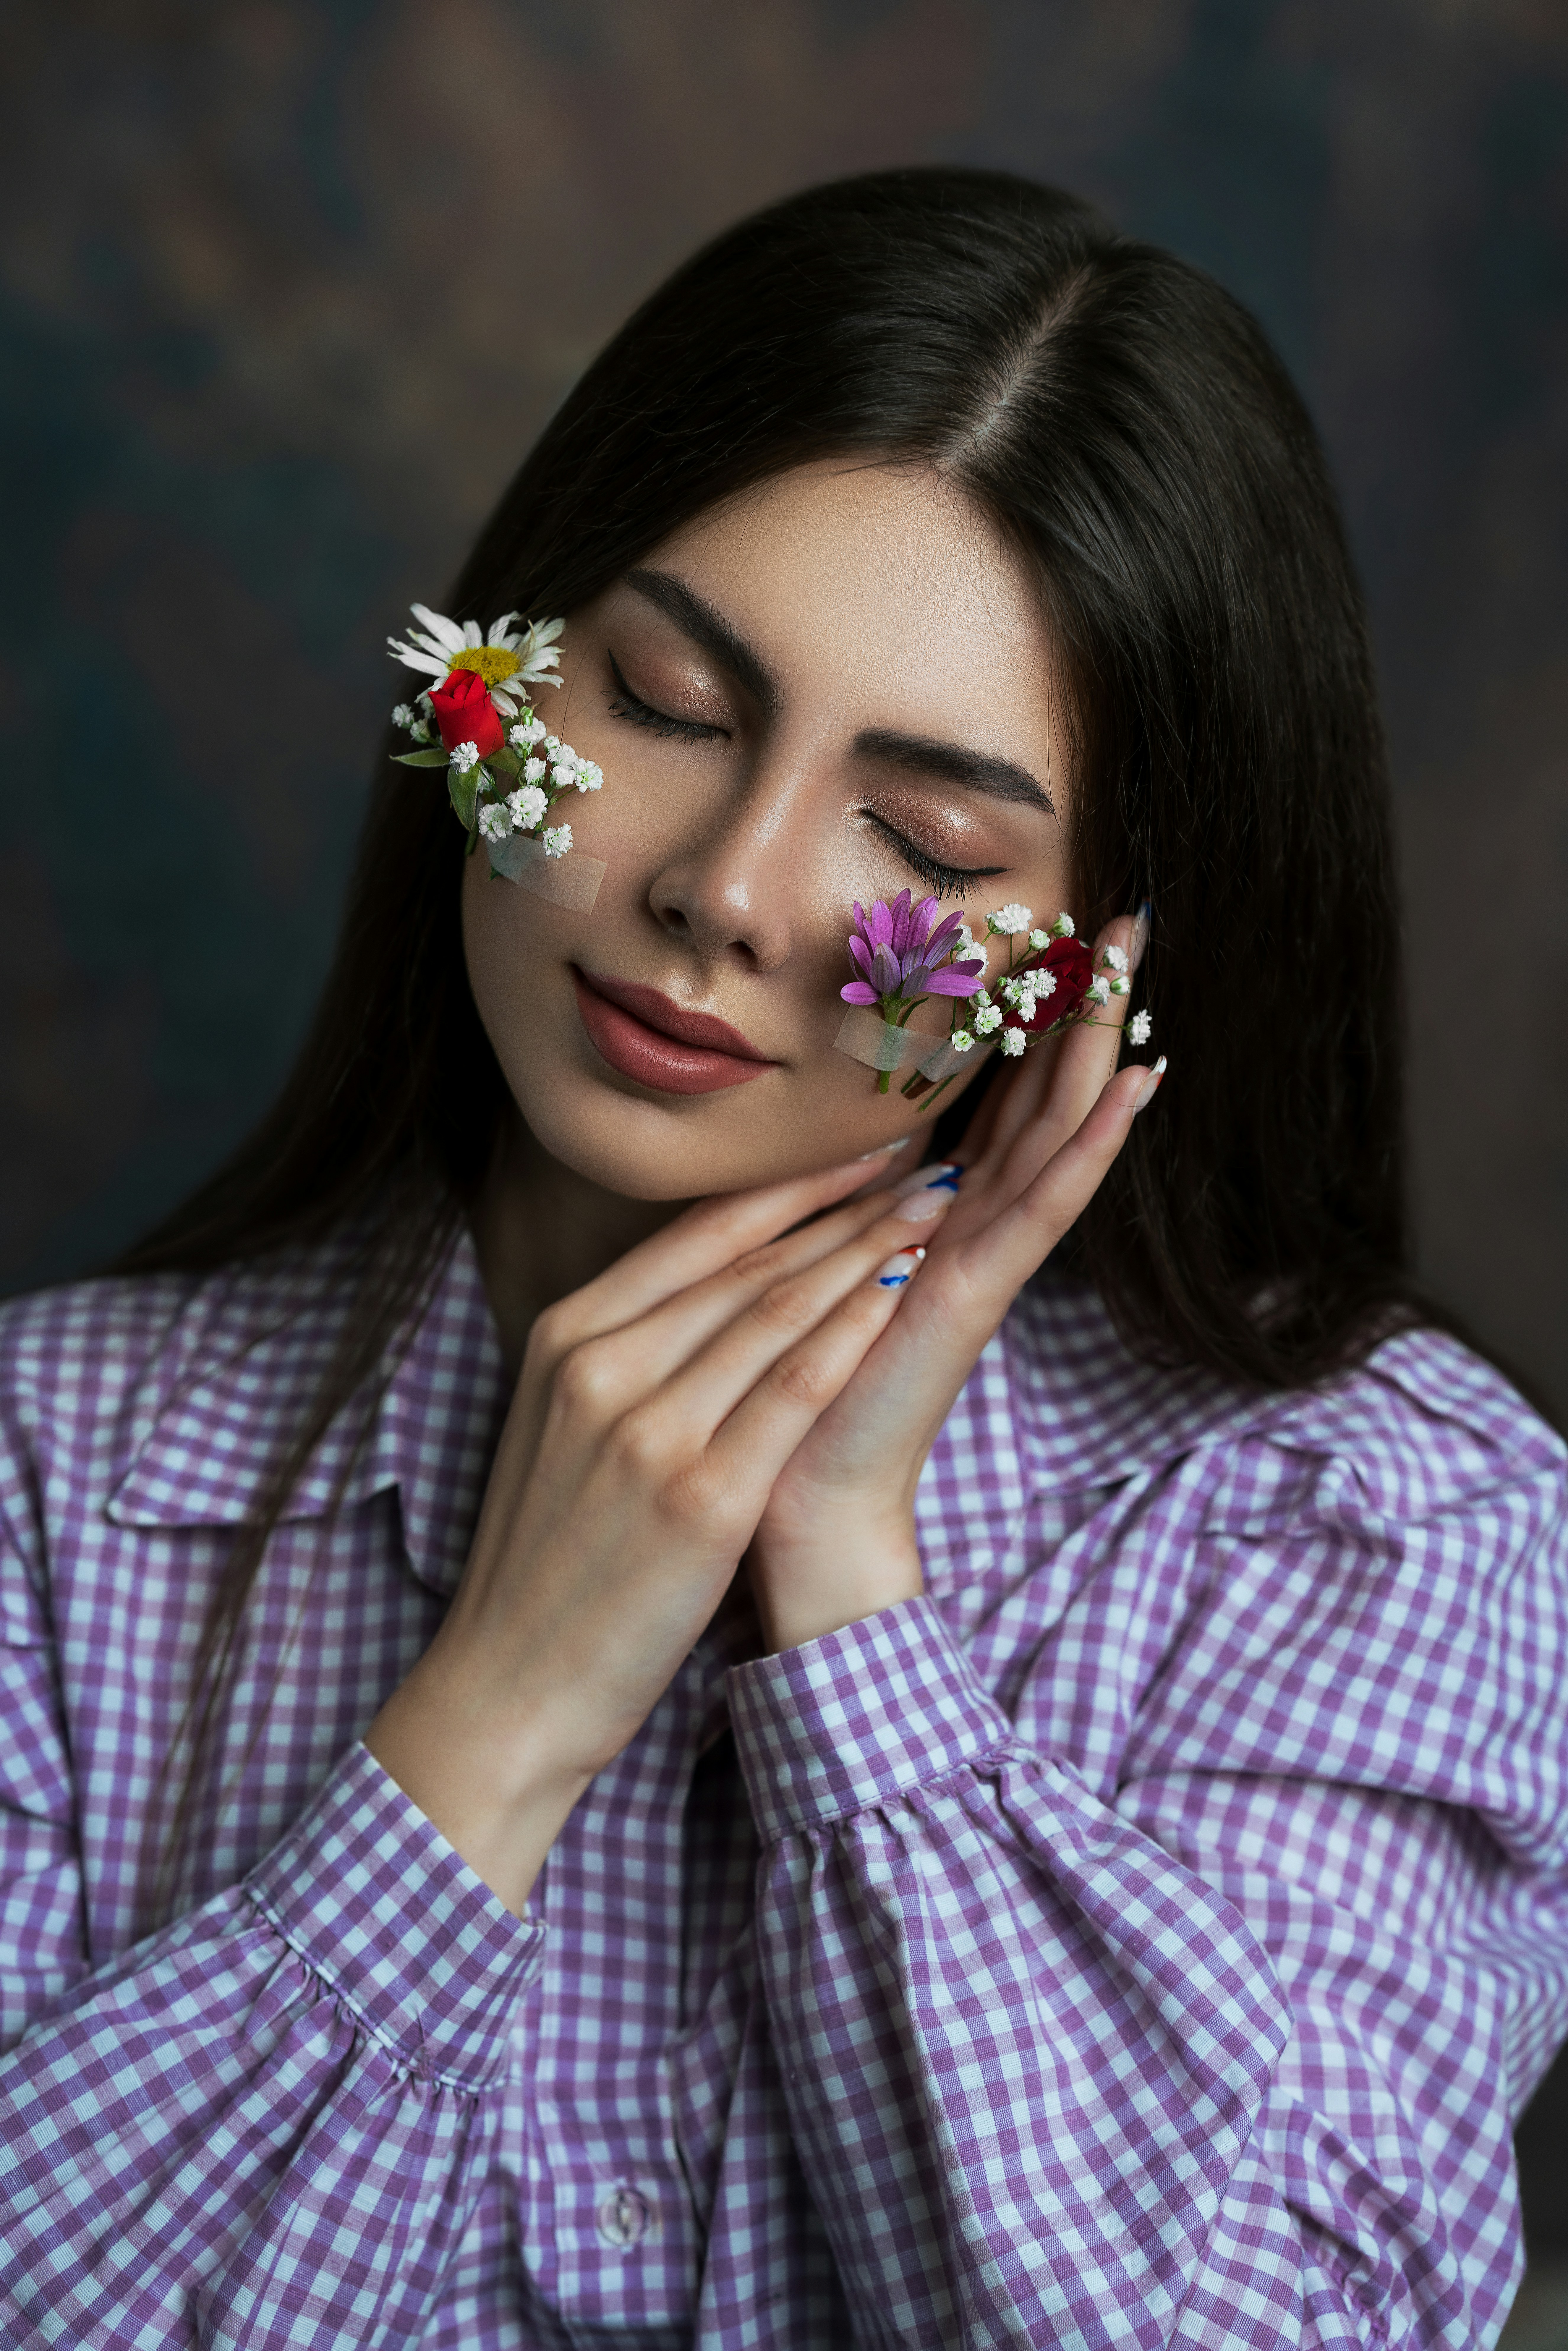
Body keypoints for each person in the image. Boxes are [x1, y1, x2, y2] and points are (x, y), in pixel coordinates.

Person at [0, 166, 1562, 2351]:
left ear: (1106, 967)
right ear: (489, 675)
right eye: (656, 701)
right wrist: (506, 1709)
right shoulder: (54, 1476)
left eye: (926, 846)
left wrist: (845, 1584)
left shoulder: (1364, 1520)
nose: (727, 890)